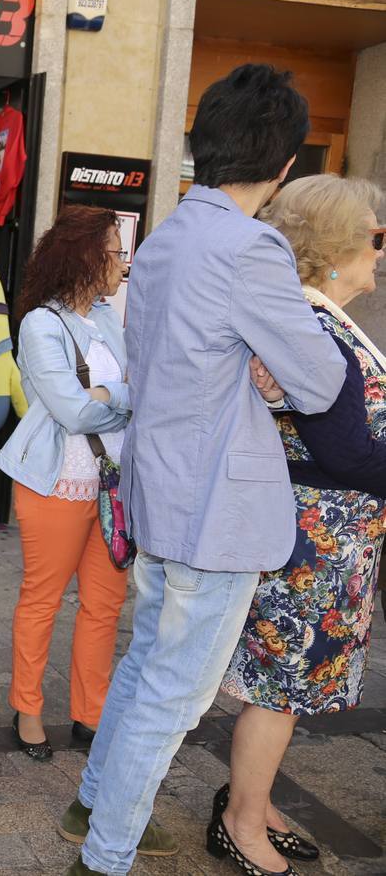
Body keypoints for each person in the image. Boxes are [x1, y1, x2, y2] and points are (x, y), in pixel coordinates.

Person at [60, 64, 347, 876]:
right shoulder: (251, 246)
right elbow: (322, 380)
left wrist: (257, 362)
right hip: (218, 507)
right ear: (286, 164)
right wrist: (272, 362)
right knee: (173, 697)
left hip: (162, 492)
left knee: (147, 666)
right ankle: (107, 855)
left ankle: (92, 805)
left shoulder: (166, 237)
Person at [214, 175, 385, 874]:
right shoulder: (312, 324)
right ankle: (240, 819)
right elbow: (341, 449)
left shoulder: (320, 318)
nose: (382, 249)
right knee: (279, 691)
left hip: (328, 539)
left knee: (285, 690)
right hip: (312, 542)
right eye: (374, 235)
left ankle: (252, 801)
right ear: (338, 247)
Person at [0, 206, 130, 762]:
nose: (123, 261)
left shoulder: (108, 317)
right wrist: (115, 399)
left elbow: (134, 389)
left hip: (114, 483)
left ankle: (89, 714)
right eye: (115, 251)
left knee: (104, 607)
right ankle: (27, 709)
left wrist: (112, 397)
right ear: (84, 255)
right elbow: (73, 413)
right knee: (43, 600)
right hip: (55, 481)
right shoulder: (40, 323)